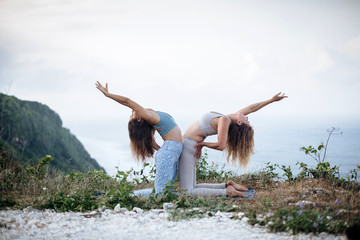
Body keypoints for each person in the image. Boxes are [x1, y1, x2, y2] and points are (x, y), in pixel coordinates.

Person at [178, 92, 288, 197]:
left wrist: (203, 144)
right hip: (191, 147)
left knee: (187, 191)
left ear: (240, 122)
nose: (247, 117)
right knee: (193, 187)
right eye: (247, 119)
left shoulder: (225, 120)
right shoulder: (229, 118)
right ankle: (227, 186)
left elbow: (221, 146)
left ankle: (227, 192)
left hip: (190, 147)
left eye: (247, 121)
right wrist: (271, 100)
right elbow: (251, 108)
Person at [95, 81, 183, 196]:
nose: (132, 111)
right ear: (139, 119)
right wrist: (108, 94)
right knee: (162, 194)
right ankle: (118, 196)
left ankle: (120, 196)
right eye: (132, 115)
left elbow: (153, 142)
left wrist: (165, 152)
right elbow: (127, 101)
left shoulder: (151, 116)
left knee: (163, 192)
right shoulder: (149, 116)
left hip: (169, 152)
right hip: (168, 152)